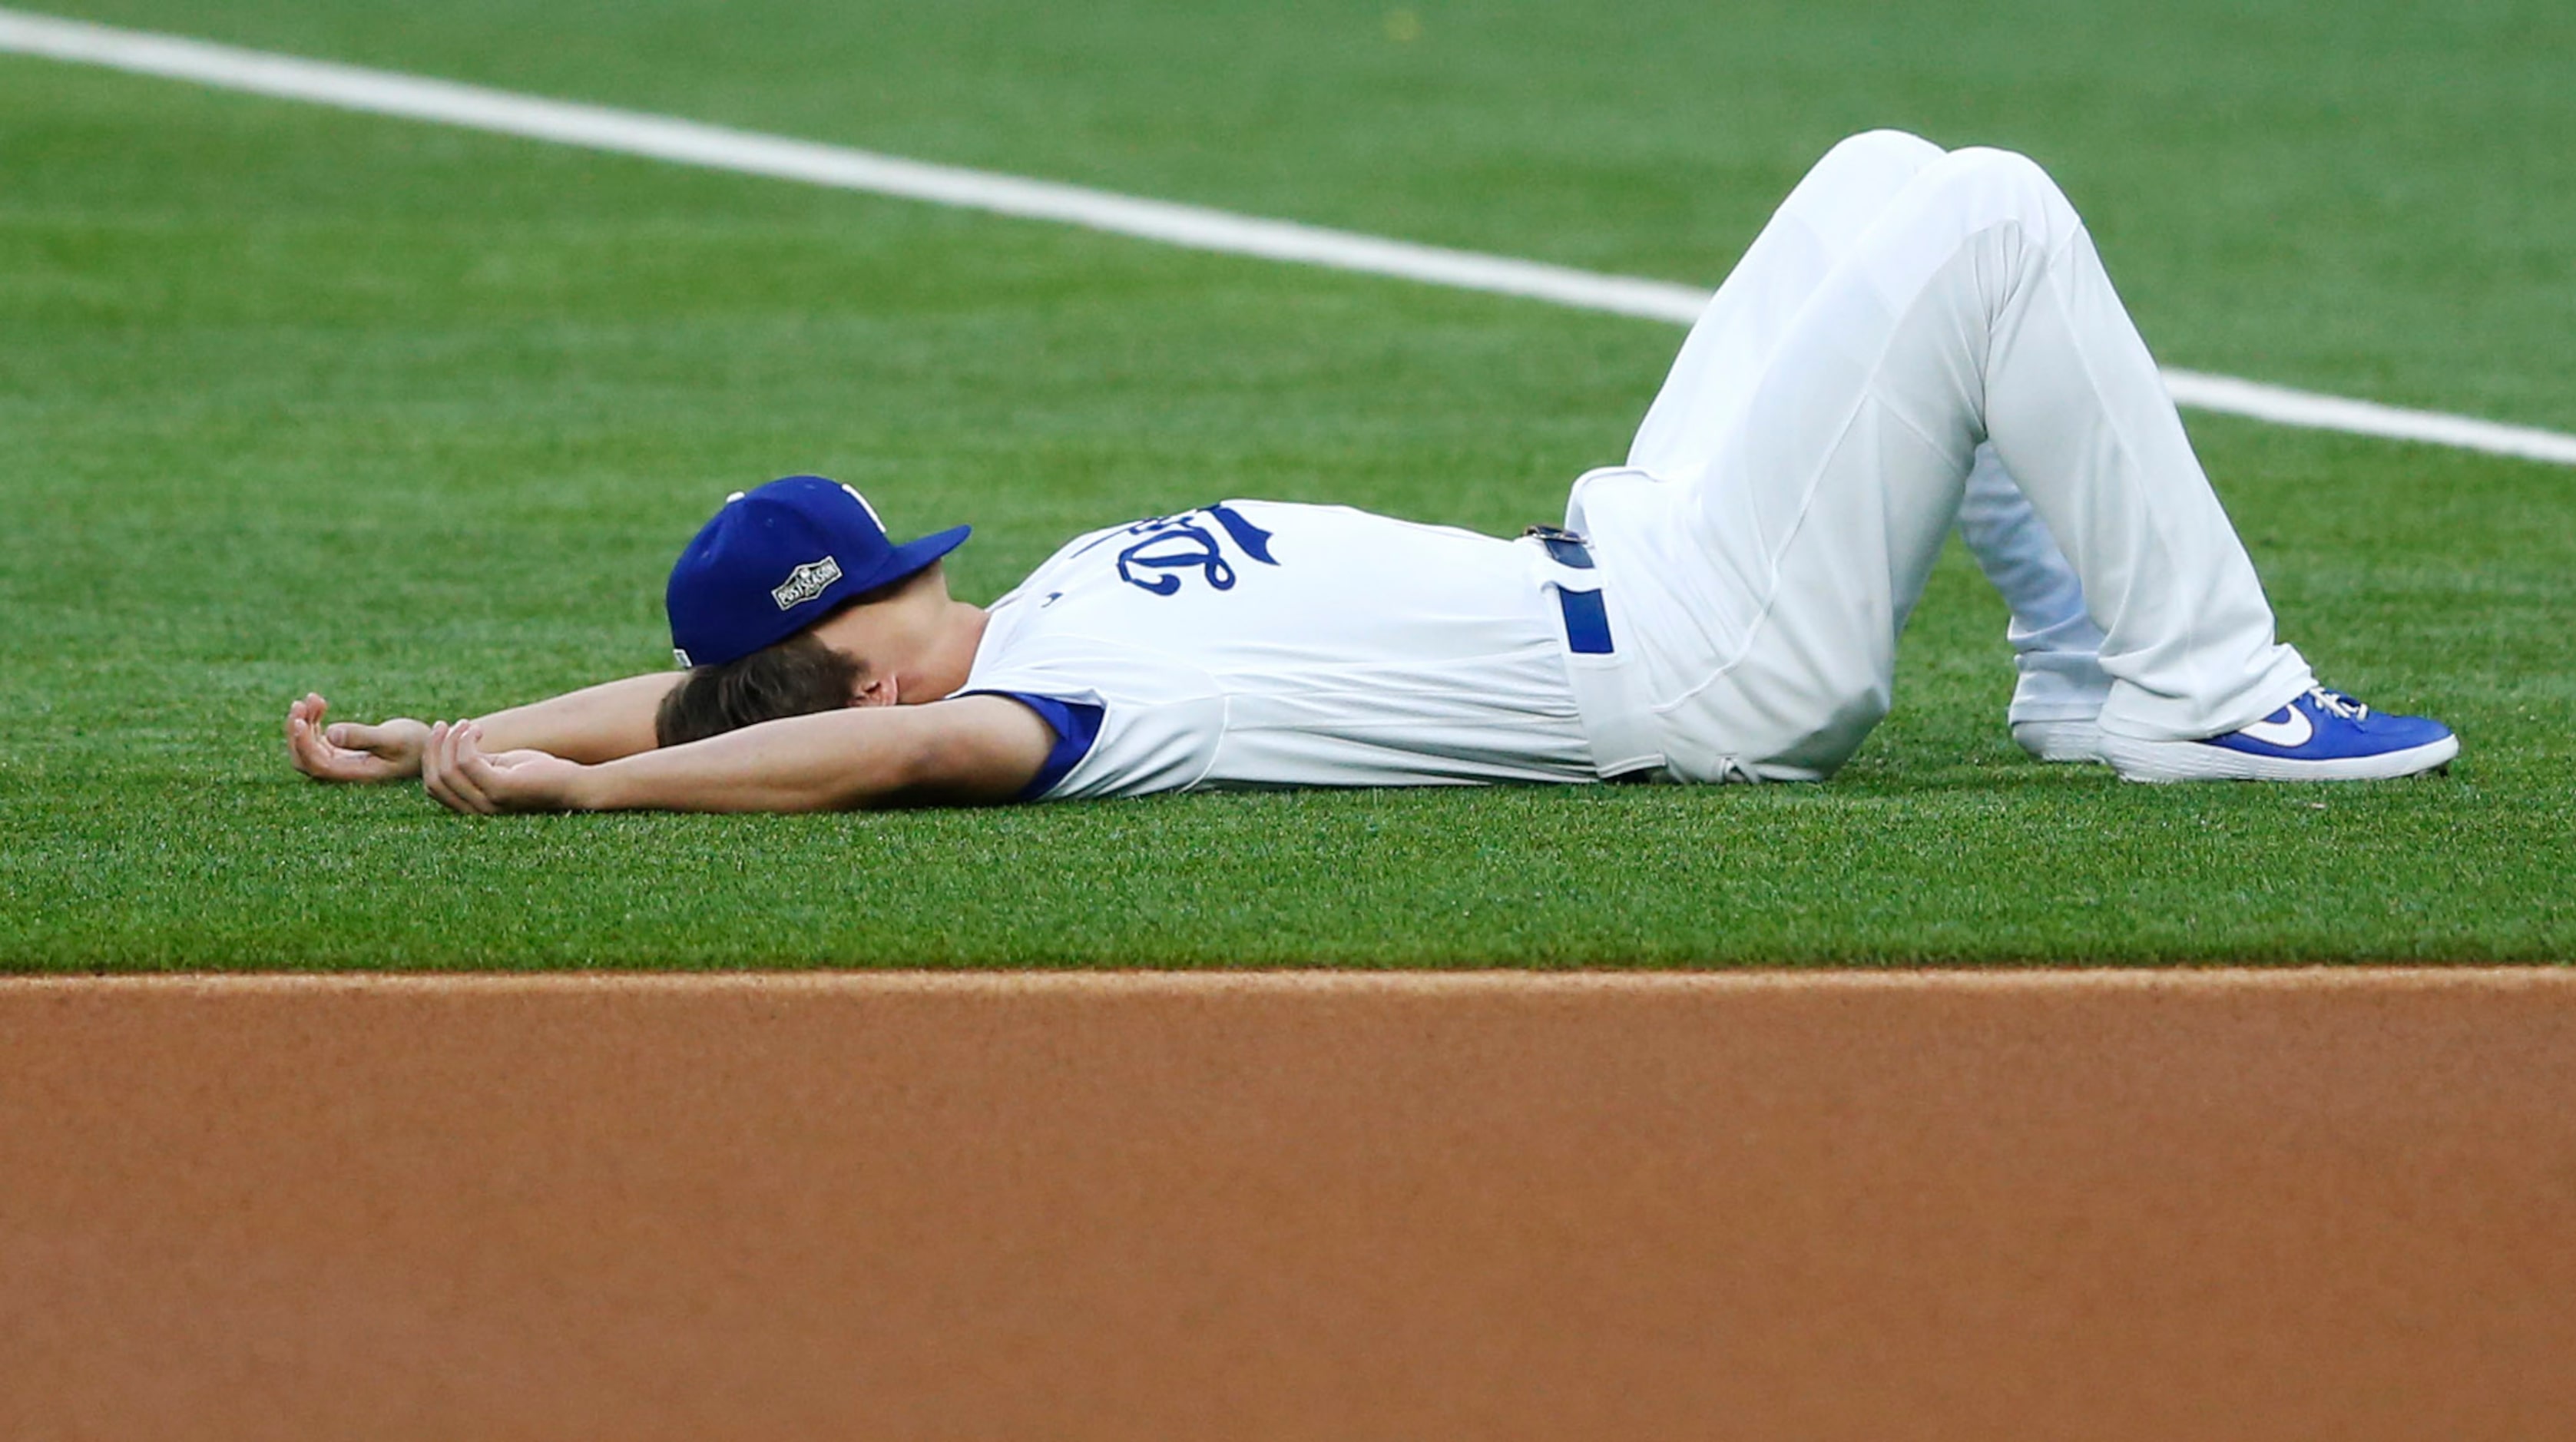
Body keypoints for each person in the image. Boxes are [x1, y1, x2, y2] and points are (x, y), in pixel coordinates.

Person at [286, 131, 2457, 815]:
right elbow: (861, 758)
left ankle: (2084, 678)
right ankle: (2203, 688)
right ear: (861, 671)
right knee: (1990, 228)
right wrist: (599, 799)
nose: (915, 572)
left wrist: (472, 737)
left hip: (1647, 548)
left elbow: (718, 695)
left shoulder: (1008, 626)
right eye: (880, 585)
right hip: (1705, 663)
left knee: (1892, 178)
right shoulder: (1061, 709)